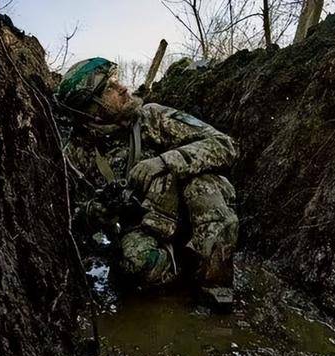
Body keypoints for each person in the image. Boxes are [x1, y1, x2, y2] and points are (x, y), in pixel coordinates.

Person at [58, 57, 238, 295]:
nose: (122, 87)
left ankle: (216, 285)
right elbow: (70, 219)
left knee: (202, 189)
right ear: (92, 109)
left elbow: (224, 145)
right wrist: (95, 211)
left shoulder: (152, 118)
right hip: (146, 226)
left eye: (116, 80)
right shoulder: (76, 153)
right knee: (134, 265)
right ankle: (182, 270)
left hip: (189, 211)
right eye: (109, 88)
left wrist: (165, 162)